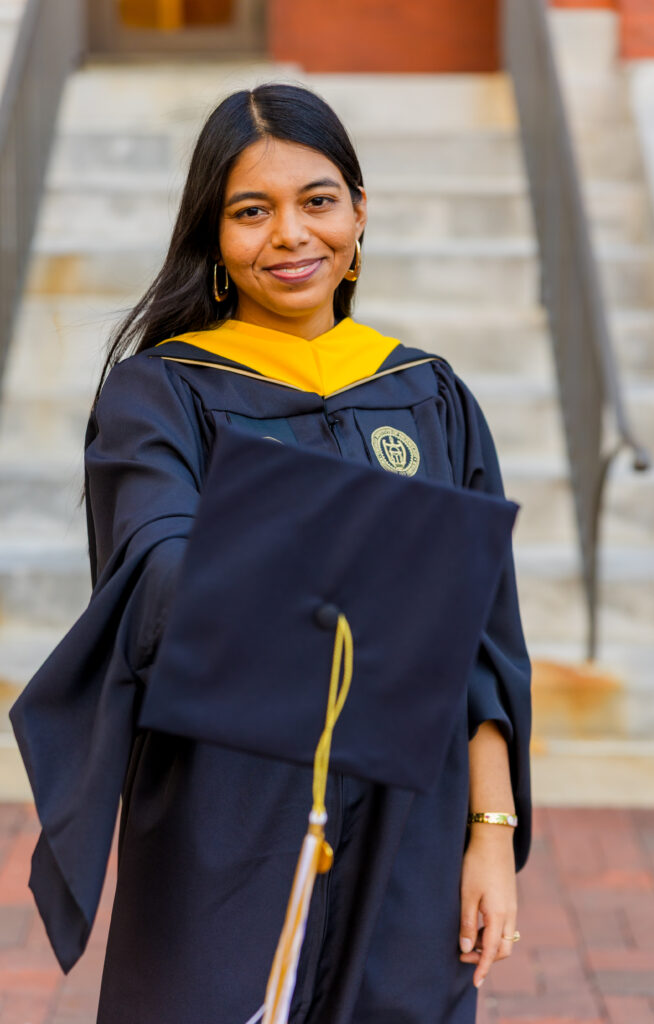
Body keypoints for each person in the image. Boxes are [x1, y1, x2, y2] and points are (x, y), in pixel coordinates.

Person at [10, 83, 532, 1024]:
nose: (291, 235)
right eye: (251, 212)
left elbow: (480, 642)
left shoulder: (426, 394)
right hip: (231, 809)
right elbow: (161, 572)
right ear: (214, 237)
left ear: (360, 212)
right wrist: (387, 573)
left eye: (317, 201)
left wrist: (489, 835)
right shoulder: (163, 395)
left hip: (409, 815)